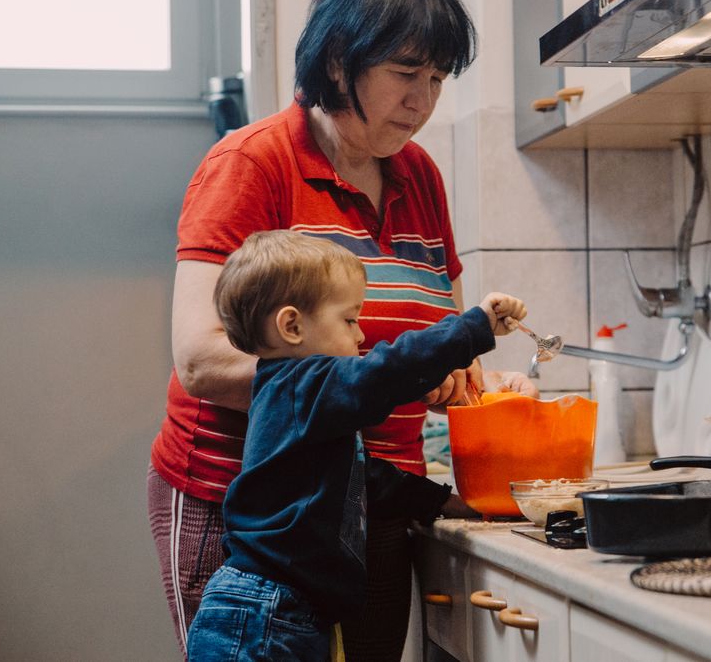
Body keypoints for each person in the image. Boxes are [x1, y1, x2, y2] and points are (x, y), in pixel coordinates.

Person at [147, 0, 538, 659]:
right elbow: (201, 361)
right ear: (337, 62)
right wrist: (356, 387)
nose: (423, 100)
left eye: (438, 79)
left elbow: (433, 344)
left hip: (379, 497)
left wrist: (464, 383)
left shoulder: (420, 176)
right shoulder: (252, 164)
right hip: (248, 510)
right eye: (406, 73)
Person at [185, 230, 526, 660]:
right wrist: (473, 327)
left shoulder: (299, 398)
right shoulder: (302, 385)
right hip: (264, 615)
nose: (361, 335)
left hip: (280, 610)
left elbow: (365, 479)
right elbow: (386, 372)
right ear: (292, 326)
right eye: (349, 320)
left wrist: (442, 501)